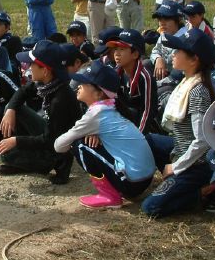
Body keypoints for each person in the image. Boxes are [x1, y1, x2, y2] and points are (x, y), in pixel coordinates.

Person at [55, 60, 156, 208]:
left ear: (99, 93)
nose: (78, 86)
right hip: (144, 179)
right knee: (85, 140)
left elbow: (59, 145)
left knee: (79, 145)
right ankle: (114, 190)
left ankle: (110, 196)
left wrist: (86, 134)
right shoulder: (111, 107)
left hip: (132, 184)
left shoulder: (96, 114)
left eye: (83, 83)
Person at [141, 28, 215, 218]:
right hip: (179, 148)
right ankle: (174, 181)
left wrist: (175, 167)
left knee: (150, 207)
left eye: (178, 51)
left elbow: (203, 141)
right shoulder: (187, 81)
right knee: (146, 140)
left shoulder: (197, 91)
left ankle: (201, 191)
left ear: (194, 59)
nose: (173, 54)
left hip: (196, 163)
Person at [0, 40, 83, 184]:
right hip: (50, 135)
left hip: (58, 146)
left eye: (32, 64)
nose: (29, 68)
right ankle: (28, 160)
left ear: (45, 70)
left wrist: (16, 141)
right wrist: (10, 109)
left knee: (7, 155)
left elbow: (50, 140)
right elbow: (23, 91)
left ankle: (56, 164)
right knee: (13, 109)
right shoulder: (47, 82)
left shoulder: (60, 99)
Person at [110, 29, 159, 134]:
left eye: (122, 49)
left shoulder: (145, 77)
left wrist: (138, 138)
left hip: (143, 129)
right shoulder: (115, 72)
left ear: (135, 54)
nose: (117, 53)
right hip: (122, 124)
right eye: (116, 49)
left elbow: (147, 111)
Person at [149, 0, 187, 80]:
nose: (162, 23)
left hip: (177, 77)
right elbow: (155, 51)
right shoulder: (165, 33)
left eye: (166, 19)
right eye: (159, 19)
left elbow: (178, 70)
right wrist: (158, 59)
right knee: (145, 63)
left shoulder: (185, 37)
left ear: (179, 19)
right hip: (162, 71)